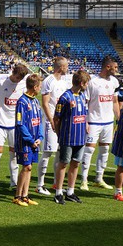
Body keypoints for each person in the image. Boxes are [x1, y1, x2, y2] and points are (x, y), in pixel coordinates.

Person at [0, 63, 29, 195]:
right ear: (13, 73)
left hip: (15, 125)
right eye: (17, 78)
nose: (18, 81)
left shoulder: (23, 83)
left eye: (20, 79)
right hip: (0, 122)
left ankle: (14, 183)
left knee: (14, 154)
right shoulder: (0, 81)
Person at [81, 56, 120, 191]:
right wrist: (85, 121)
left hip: (108, 122)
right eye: (115, 67)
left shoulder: (114, 81)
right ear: (107, 67)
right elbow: (85, 102)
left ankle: (99, 178)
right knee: (89, 150)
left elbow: (114, 101)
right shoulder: (92, 81)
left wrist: (119, 119)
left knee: (104, 150)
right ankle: (84, 180)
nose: (117, 70)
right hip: (93, 121)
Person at [52, 70, 90, 205]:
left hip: (80, 137)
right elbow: (56, 118)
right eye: (86, 83)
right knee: (63, 164)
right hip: (68, 137)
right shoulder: (65, 97)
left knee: (75, 164)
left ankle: (70, 191)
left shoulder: (82, 95)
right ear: (81, 83)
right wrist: (59, 134)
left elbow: (84, 114)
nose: (87, 86)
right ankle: (58, 192)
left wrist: (86, 125)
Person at [37, 56, 71, 194]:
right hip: (50, 121)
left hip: (61, 121)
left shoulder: (63, 82)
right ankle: (40, 185)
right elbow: (45, 102)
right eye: (66, 66)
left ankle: (56, 183)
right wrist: (51, 120)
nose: (68, 68)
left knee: (58, 152)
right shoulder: (48, 81)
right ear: (61, 67)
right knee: (47, 152)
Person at [13, 74, 44, 207]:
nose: (41, 89)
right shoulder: (22, 102)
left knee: (30, 167)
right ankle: (17, 196)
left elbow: (39, 121)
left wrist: (40, 137)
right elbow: (20, 124)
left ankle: (25, 195)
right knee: (26, 166)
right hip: (25, 141)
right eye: (40, 87)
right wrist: (31, 140)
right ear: (35, 87)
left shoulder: (36, 101)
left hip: (34, 141)